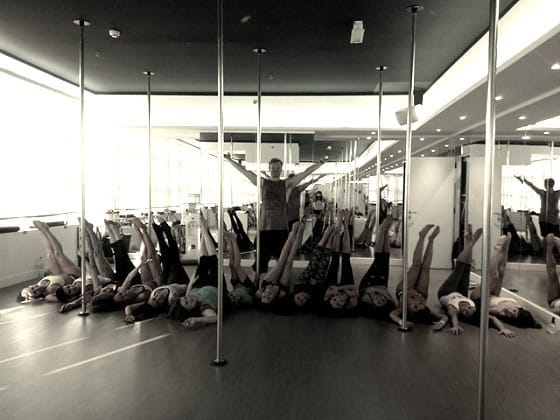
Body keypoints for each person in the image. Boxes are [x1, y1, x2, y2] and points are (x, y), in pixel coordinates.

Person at [225, 154, 324, 275]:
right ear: (269, 169)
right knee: (261, 261)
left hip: (280, 228)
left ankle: (278, 281)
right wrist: (230, 160)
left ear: (281, 169)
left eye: (278, 168)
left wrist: (319, 164)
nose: (276, 171)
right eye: (273, 168)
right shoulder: (263, 182)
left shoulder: (287, 184)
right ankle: (258, 280)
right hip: (264, 228)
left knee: (281, 259)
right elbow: (244, 171)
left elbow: (305, 173)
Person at [470, 233, 541, 336]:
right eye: (514, 311)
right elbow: (534, 322)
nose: (510, 312)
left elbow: (482, 311)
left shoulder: (500, 312)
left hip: (479, 298)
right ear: (520, 309)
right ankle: (506, 247)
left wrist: (502, 324)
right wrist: (533, 323)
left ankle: (497, 249)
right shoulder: (520, 309)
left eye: (511, 316)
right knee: (502, 271)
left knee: (494, 276)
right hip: (494, 296)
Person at [168, 212, 228, 328]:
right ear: (190, 310)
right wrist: (197, 320)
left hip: (199, 285)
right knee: (212, 259)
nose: (188, 299)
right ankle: (204, 230)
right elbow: (215, 318)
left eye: (185, 299)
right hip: (215, 285)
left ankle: (204, 232)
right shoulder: (204, 308)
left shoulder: (190, 296)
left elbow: (187, 293)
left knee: (203, 260)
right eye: (188, 303)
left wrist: (191, 283)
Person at [390, 224, 448, 329]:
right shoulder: (426, 310)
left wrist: (401, 322)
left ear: (410, 310)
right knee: (426, 267)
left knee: (416, 265)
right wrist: (441, 323)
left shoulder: (403, 307)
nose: (418, 302)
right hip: (421, 293)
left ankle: (422, 236)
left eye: (416, 306)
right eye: (422, 305)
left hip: (405, 290)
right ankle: (431, 240)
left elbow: (392, 314)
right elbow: (443, 317)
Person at [18, 221, 81, 302]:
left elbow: (23, 293)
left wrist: (27, 293)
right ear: (38, 296)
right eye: (36, 292)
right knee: (58, 254)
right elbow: (57, 298)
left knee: (50, 254)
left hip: (58, 273)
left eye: (33, 288)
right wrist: (32, 299)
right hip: (73, 276)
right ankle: (47, 230)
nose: (36, 288)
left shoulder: (40, 283)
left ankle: (42, 231)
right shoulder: (49, 292)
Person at [437, 225, 482, 335]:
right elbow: (491, 318)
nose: (465, 308)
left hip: (446, 293)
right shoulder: (473, 306)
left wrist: (456, 326)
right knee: (467, 269)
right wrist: (502, 328)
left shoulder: (454, 309)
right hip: (461, 294)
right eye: (469, 308)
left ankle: (472, 241)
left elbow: (453, 317)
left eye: (465, 313)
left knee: (459, 268)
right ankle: (469, 240)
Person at [255, 221, 305, 309]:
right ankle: (299, 232)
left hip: (269, 282)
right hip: (281, 286)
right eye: (269, 298)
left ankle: (291, 234)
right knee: (288, 262)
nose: (267, 294)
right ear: (274, 299)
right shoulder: (282, 294)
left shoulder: (260, 292)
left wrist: (260, 289)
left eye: (264, 296)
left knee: (281, 262)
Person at [319, 209, 359, 316]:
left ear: (330, 299)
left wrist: (337, 289)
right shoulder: (352, 303)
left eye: (334, 300)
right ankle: (345, 225)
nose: (338, 299)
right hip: (344, 287)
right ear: (343, 305)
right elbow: (353, 287)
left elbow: (331, 291)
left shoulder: (328, 296)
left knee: (335, 259)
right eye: (339, 303)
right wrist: (340, 288)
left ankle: (339, 223)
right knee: (346, 259)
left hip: (332, 285)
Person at [357, 215, 397, 320]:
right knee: (385, 258)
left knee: (378, 259)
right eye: (383, 300)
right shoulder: (390, 302)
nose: (379, 299)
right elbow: (394, 310)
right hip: (381, 285)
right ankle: (386, 230)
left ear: (373, 304)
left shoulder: (366, 301)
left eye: (378, 302)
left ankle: (383, 229)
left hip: (368, 285)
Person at [291, 224, 339, 310]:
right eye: (302, 301)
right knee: (323, 264)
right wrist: (315, 284)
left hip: (305, 280)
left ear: (295, 295)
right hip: (317, 282)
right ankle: (330, 237)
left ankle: (325, 236)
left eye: (298, 298)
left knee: (314, 261)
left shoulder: (297, 288)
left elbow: (304, 279)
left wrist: (310, 281)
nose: (302, 298)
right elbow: (321, 288)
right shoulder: (314, 298)